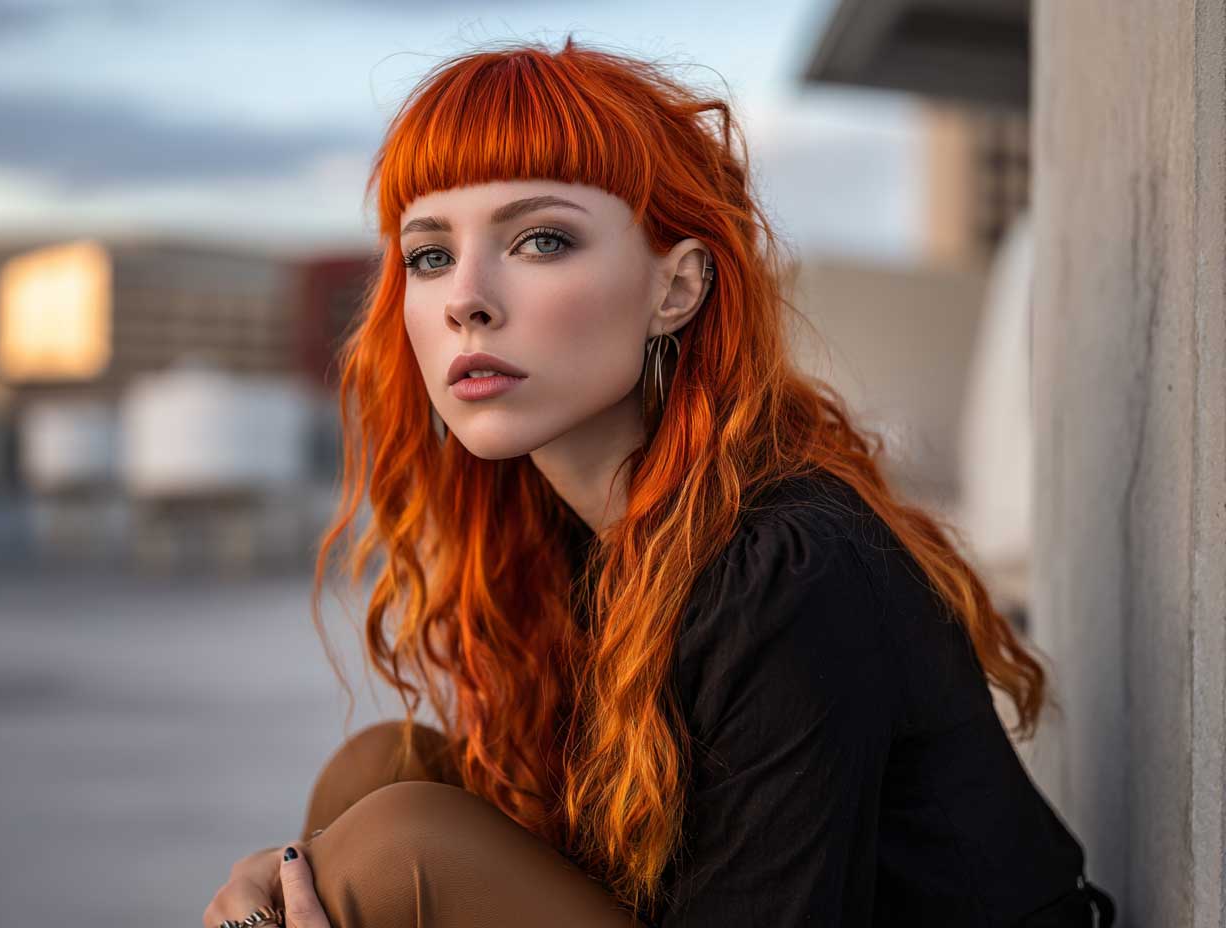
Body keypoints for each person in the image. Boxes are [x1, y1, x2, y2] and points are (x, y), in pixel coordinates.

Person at [203, 36, 1115, 928]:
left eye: (541, 239)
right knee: (382, 775)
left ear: (675, 289)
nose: (464, 298)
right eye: (430, 254)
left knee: (397, 843)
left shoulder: (784, 567)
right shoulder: (559, 533)